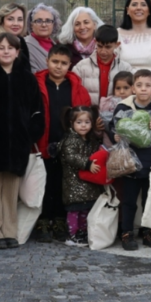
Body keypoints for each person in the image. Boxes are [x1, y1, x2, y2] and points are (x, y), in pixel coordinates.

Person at [0, 33, 44, 249]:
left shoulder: (27, 78)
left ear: (18, 52)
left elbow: (37, 110)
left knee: (11, 189)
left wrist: (30, 133)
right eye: (1, 48)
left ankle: (9, 230)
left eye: (10, 48)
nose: (6, 51)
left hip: (18, 142)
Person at [111, 69, 151, 250]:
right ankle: (127, 232)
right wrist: (114, 135)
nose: (143, 89)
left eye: (147, 85)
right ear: (132, 88)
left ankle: (148, 231)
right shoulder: (124, 107)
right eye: (139, 85)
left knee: (150, 200)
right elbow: (113, 126)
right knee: (129, 200)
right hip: (130, 164)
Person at [34, 44, 92, 243]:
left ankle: (59, 220)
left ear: (70, 65)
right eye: (55, 62)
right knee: (44, 183)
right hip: (43, 143)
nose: (58, 66)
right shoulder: (37, 84)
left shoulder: (77, 88)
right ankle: (43, 220)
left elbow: (85, 115)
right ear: (47, 61)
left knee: (63, 184)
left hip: (68, 147)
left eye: (63, 63)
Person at [59, 106, 104, 247]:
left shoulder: (92, 140)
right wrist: (87, 163)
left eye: (87, 122)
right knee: (74, 211)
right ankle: (72, 235)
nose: (83, 125)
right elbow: (70, 156)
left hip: (88, 183)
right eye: (79, 122)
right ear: (72, 123)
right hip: (73, 183)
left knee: (85, 210)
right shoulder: (70, 139)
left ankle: (82, 233)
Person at [73, 25, 133, 106]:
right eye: (100, 46)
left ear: (117, 45)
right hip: (88, 115)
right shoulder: (81, 67)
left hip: (117, 114)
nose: (103, 51)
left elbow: (132, 94)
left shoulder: (125, 68)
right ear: (95, 42)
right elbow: (75, 94)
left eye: (108, 47)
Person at [26, 3, 63, 73]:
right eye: (39, 21)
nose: (44, 25)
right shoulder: (25, 46)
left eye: (48, 21)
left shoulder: (57, 46)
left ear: (54, 24)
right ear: (31, 25)